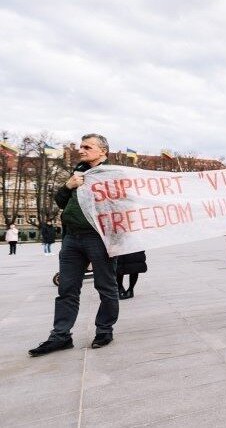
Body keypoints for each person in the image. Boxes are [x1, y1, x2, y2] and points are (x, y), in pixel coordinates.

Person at [29, 133, 118, 356]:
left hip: (98, 238)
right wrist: (68, 186)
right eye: (81, 146)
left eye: (87, 147)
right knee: (66, 288)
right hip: (72, 238)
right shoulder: (78, 171)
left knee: (106, 287)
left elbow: (124, 207)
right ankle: (60, 336)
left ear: (103, 151)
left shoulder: (113, 174)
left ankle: (104, 330)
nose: (81, 150)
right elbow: (61, 202)